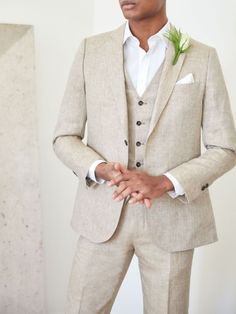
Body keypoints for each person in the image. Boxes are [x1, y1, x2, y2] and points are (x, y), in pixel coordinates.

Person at [52, 0, 236, 313]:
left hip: (172, 220)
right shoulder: (90, 51)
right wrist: (101, 169)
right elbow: (64, 137)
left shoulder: (202, 57)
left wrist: (165, 182)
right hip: (101, 217)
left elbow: (225, 148)